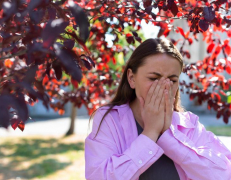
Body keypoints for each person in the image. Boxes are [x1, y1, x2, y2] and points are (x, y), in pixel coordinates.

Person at [84, 38, 231, 180]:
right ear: (131, 78)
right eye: (154, 78)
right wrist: (150, 133)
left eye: (172, 80)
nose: (165, 87)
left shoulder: (189, 124)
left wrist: (169, 138)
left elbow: (224, 174)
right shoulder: (109, 119)